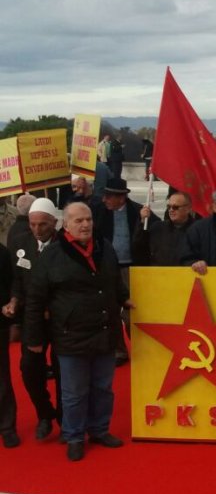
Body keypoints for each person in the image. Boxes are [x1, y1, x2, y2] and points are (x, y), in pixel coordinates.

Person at [23, 202, 132, 462]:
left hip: (105, 331)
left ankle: (99, 430)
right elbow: (36, 299)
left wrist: (123, 298)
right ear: (66, 224)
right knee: (74, 392)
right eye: (78, 220)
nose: (85, 225)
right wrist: (34, 339)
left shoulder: (105, 247)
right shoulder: (52, 255)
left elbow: (115, 280)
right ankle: (73, 435)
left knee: (103, 388)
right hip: (71, 335)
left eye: (88, 219)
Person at [2, 198, 62, 442]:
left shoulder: (65, 246)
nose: (37, 230)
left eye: (43, 225)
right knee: (28, 369)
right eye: (33, 224)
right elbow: (17, 279)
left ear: (54, 223)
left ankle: (67, 420)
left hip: (61, 320)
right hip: (32, 319)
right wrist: (14, 301)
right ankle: (45, 413)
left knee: (62, 370)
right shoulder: (20, 243)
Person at [94, 178, 159, 365]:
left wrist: (144, 220)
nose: (104, 199)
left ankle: (140, 348)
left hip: (132, 268)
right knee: (110, 311)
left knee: (132, 312)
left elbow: (154, 234)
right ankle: (118, 351)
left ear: (121, 198)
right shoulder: (99, 212)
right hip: (108, 269)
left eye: (109, 196)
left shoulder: (139, 212)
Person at [132, 192, 194, 266]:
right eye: (169, 207)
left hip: (187, 275)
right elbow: (139, 248)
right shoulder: (157, 227)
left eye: (175, 207)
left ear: (188, 209)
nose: (171, 210)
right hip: (159, 274)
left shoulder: (198, 229)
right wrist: (142, 222)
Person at [0, 240, 17, 448]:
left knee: (2, 378)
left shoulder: (3, 253)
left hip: (0, 324)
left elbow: (10, 285)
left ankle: (7, 427)